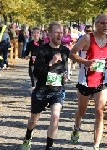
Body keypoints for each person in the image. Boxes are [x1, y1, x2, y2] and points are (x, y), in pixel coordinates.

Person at [22, 21, 69, 150]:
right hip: (41, 90)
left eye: (61, 32)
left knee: (55, 116)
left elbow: (64, 68)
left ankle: (49, 147)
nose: (60, 35)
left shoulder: (65, 50)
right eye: (57, 33)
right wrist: (51, 62)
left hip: (57, 90)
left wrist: (65, 76)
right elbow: (36, 72)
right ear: (50, 34)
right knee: (33, 120)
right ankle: (28, 136)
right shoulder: (42, 50)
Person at [69, 14, 107, 150]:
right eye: (103, 23)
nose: (105, 25)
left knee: (99, 111)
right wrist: (86, 62)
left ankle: (96, 146)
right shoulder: (87, 38)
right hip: (85, 81)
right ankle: (77, 125)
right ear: (96, 24)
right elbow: (72, 54)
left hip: (102, 81)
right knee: (82, 111)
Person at [25, 27, 44, 92]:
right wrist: (26, 56)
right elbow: (26, 52)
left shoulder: (43, 43)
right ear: (32, 34)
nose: (36, 34)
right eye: (34, 33)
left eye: (37, 33)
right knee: (33, 78)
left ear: (40, 34)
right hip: (32, 63)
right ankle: (34, 94)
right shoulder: (30, 44)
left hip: (41, 64)